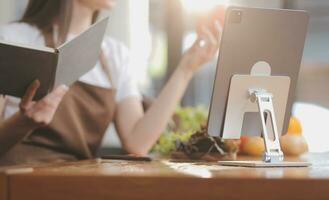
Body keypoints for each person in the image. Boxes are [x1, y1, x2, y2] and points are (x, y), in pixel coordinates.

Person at [0, 0, 221, 165]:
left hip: (75, 184)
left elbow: (137, 142)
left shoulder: (115, 56)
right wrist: (24, 122)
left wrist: (186, 68)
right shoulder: (13, 39)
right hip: (16, 184)